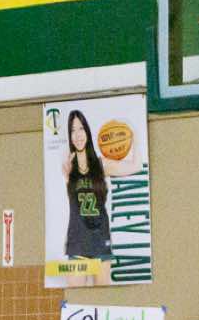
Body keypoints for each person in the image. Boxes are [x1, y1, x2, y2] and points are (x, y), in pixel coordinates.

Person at [57, 109, 142, 287]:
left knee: (102, 297)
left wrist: (134, 136)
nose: (77, 135)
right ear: (69, 136)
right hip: (77, 240)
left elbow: (136, 166)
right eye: (72, 130)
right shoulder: (68, 167)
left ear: (87, 132)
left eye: (81, 129)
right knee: (74, 297)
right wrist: (67, 175)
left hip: (100, 238)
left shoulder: (101, 164)